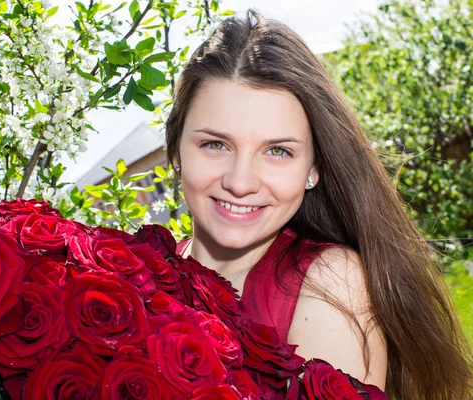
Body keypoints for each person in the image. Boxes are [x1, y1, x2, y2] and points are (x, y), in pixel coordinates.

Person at [166, 9, 472, 399]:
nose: (240, 182)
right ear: (176, 150)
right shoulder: (139, 278)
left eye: (277, 151)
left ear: (314, 168)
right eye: (215, 144)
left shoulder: (331, 283)